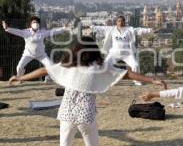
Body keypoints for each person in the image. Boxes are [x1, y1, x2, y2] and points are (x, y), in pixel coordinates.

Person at [9, 36, 167, 146]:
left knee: (65, 144)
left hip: (66, 113)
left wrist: (20, 78)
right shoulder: (99, 67)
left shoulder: (68, 65)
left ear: (77, 50)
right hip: (86, 114)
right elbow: (127, 74)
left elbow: (44, 70)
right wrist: (152, 80)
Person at [90, 15, 156, 86]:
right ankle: (103, 80)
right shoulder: (111, 29)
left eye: (122, 21)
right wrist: (92, 27)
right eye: (119, 21)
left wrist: (150, 30)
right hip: (114, 53)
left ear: (125, 22)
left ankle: (136, 81)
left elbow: (139, 30)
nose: (121, 22)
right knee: (105, 65)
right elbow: (102, 28)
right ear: (116, 22)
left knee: (135, 65)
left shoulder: (129, 30)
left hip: (127, 53)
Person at [2, 16, 68, 82]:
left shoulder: (42, 32)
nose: (36, 23)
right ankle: (20, 79)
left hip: (41, 55)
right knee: (19, 67)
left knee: (50, 65)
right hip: (28, 54)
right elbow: (17, 31)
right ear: (30, 24)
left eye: (37, 22)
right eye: (34, 22)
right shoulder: (26, 32)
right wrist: (7, 28)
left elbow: (53, 31)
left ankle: (48, 79)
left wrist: (64, 28)